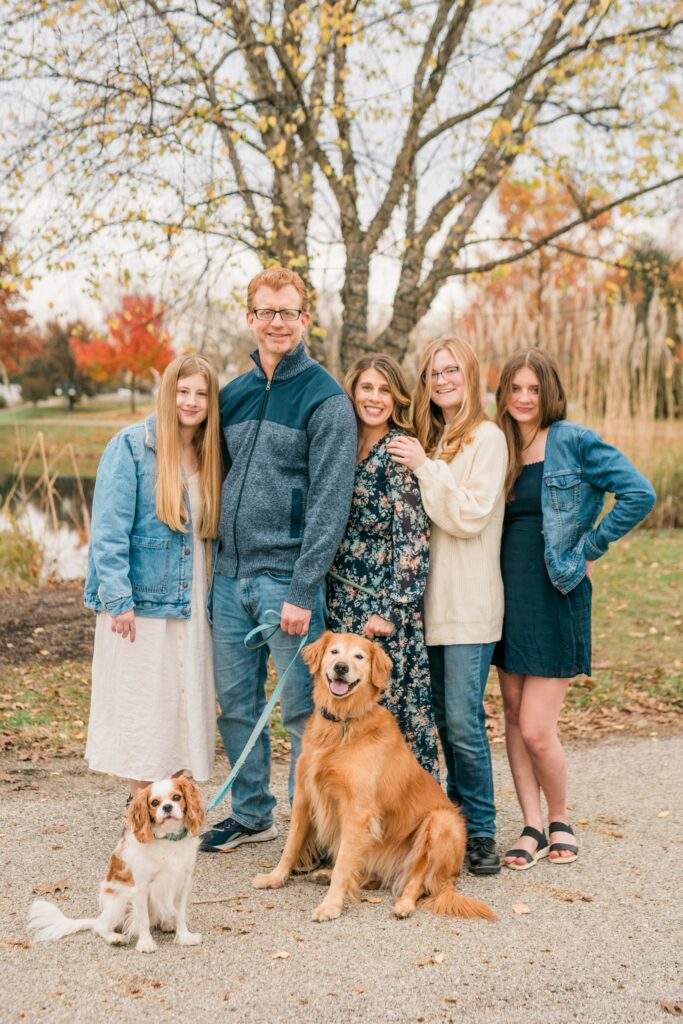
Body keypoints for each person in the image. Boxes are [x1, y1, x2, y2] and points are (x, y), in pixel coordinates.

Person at [200, 267, 357, 853]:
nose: (277, 323)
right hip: (230, 579)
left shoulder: (326, 399)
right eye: (266, 312)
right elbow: (209, 473)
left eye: (288, 312)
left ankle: (306, 833)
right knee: (237, 710)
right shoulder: (233, 396)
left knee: (301, 714)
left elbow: (329, 502)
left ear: (304, 319)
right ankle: (251, 815)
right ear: (250, 318)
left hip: (287, 582)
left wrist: (302, 588)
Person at [492, 348, 656, 869]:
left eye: (533, 389)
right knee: (513, 715)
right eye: (515, 388)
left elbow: (639, 493)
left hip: (556, 592)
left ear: (550, 393)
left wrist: (590, 548)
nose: (524, 398)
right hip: (503, 596)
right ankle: (531, 825)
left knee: (537, 729)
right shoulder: (497, 443)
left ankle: (560, 818)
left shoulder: (575, 440)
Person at [388, 337, 508, 876]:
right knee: (442, 721)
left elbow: (469, 516)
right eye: (433, 373)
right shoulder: (432, 438)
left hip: (469, 605)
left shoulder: (486, 438)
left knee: (462, 722)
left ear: (471, 374)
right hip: (428, 608)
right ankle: (454, 821)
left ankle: (481, 831)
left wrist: (424, 467)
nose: (442, 380)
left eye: (451, 370)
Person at [84, 354, 222, 797]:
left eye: (201, 393)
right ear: (167, 393)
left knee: (181, 708)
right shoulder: (131, 446)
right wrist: (118, 600)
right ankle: (140, 811)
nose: (191, 401)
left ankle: (172, 811)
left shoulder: (212, 453)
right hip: (141, 604)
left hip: (192, 601)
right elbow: (108, 531)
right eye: (183, 391)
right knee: (143, 710)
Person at [327, 354, 439, 776]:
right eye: (367, 388)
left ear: (397, 398)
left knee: (385, 716)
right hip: (341, 601)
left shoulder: (397, 451)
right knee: (344, 713)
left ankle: (404, 808)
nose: (374, 398)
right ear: (352, 392)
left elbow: (413, 538)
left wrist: (391, 610)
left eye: (384, 390)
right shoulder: (343, 444)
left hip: (381, 607)